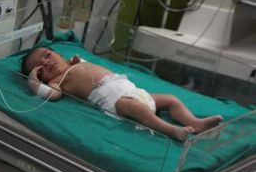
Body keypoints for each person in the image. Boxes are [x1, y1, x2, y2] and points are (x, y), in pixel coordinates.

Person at [21, 47, 222, 140]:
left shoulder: (74, 62)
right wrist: (34, 82)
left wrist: (74, 61)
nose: (47, 62)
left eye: (47, 55)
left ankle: (195, 122)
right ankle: (170, 130)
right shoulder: (58, 81)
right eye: (41, 67)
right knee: (134, 107)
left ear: (59, 54)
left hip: (135, 91)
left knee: (171, 99)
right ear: (42, 75)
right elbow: (52, 95)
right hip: (116, 102)